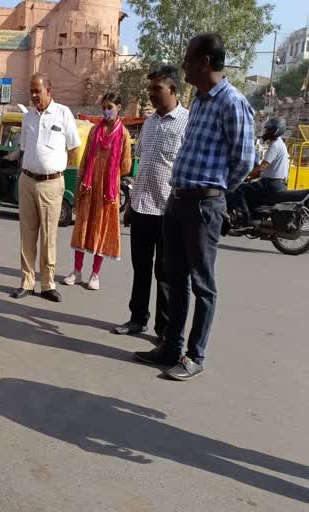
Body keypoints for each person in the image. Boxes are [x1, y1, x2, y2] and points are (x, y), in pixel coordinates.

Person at [134, 33, 254, 381]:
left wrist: (214, 192)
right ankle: (170, 346)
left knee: (203, 284)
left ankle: (194, 355)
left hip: (204, 205)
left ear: (205, 61)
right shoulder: (200, 101)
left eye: (188, 58)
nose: (183, 63)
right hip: (178, 199)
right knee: (175, 278)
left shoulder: (232, 102)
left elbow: (244, 161)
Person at [113, 66, 189, 340]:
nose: (152, 95)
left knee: (166, 274)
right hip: (143, 208)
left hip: (169, 212)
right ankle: (137, 318)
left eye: (157, 89)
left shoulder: (186, 123)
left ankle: (164, 330)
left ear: (173, 90)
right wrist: (131, 205)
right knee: (141, 269)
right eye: (150, 90)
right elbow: (140, 166)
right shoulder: (149, 123)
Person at [11, 72, 81, 302]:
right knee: (27, 235)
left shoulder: (63, 113)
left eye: (37, 91)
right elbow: (24, 148)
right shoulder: (28, 117)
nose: (33, 95)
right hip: (27, 180)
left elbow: (74, 148)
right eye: (31, 91)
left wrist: (57, 170)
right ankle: (27, 282)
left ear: (48, 91)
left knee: (49, 236)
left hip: (51, 183)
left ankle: (47, 284)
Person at [62, 93, 132, 291]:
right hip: (89, 186)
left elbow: (126, 166)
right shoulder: (94, 131)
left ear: (119, 107)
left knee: (101, 229)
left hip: (107, 191)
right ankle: (76, 271)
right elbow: (84, 161)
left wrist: (108, 171)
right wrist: (80, 184)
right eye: (104, 107)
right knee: (83, 227)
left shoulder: (124, 134)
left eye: (110, 106)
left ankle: (95, 273)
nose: (106, 111)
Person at [231, 117, 288, 226]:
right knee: (250, 189)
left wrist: (245, 175)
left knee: (239, 189)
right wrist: (251, 176)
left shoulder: (275, 145)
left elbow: (262, 167)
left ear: (276, 131)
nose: (266, 132)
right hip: (275, 183)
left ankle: (245, 219)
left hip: (271, 184)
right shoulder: (279, 143)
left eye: (269, 130)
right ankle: (254, 216)